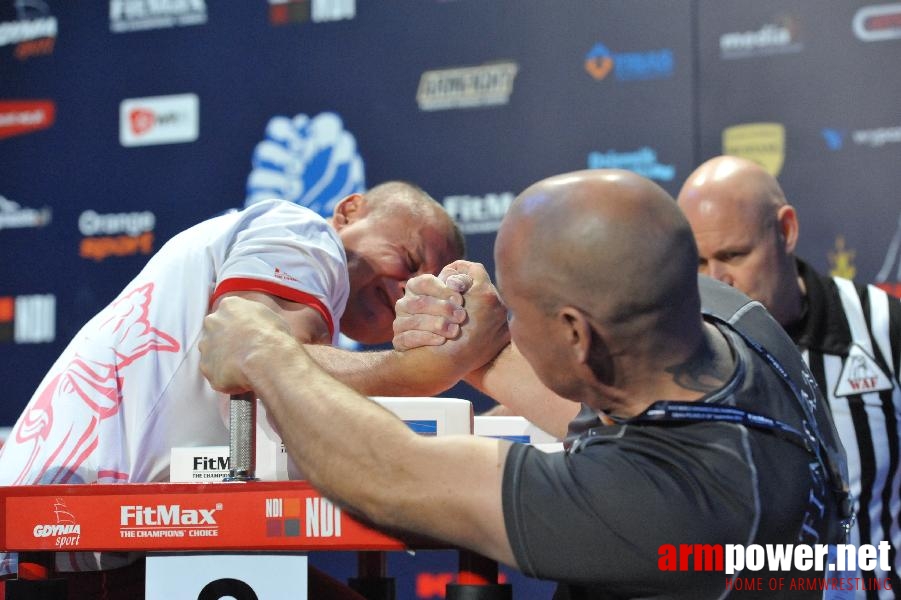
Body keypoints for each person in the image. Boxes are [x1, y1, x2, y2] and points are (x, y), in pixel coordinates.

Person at [200, 169, 850, 598]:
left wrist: (265, 356)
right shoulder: (743, 326)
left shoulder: (663, 506)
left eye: (518, 307)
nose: (506, 316)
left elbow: (391, 475)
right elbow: (615, 391)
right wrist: (477, 351)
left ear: (575, 334)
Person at [0, 180, 464, 592]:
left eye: (428, 288)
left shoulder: (320, 336)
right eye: (407, 260)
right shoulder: (301, 232)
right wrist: (421, 372)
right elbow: (247, 357)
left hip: (103, 541)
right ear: (348, 212)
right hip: (55, 548)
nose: (407, 290)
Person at [676, 155, 901, 596]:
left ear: (786, 231)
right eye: (697, 264)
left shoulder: (883, 329)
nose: (716, 282)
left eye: (732, 255)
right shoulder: (671, 349)